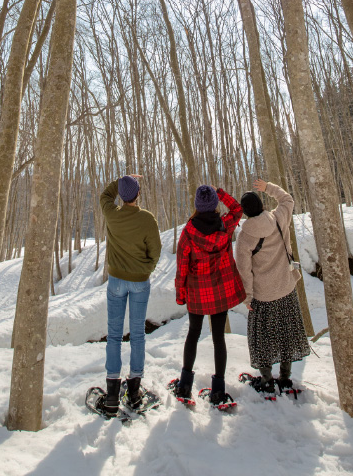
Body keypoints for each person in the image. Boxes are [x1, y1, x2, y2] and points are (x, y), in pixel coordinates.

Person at [171, 184, 245, 407]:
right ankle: (218, 390)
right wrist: (220, 192)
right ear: (214, 204)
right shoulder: (225, 225)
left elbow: (182, 267)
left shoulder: (188, 232)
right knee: (218, 337)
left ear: (196, 205)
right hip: (220, 292)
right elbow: (238, 210)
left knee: (193, 334)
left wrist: (180, 293)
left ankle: (184, 386)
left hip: (197, 292)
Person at [235, 178, 310, 396]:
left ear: (245, 213)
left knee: (262, 337)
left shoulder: (245, 236)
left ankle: (267, 381)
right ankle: (285, 379)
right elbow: (287, 199)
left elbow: (244, 271)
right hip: (286, 287)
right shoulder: (278, 218)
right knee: (286, 332)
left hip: (262, 295)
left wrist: (247, 297)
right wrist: (268, 187)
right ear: (262, 205)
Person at [96, 173, 162, 417]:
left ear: (122, 197)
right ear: (138, 195)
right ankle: (134, 392)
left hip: (115, 282)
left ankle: (112, 395)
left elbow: (105, 195)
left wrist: (121, 181)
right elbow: (155, 251)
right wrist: (146, 269)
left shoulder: (112, 215)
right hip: (139, 282)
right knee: (137, 334)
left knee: (114, 335)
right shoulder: (147, 219)